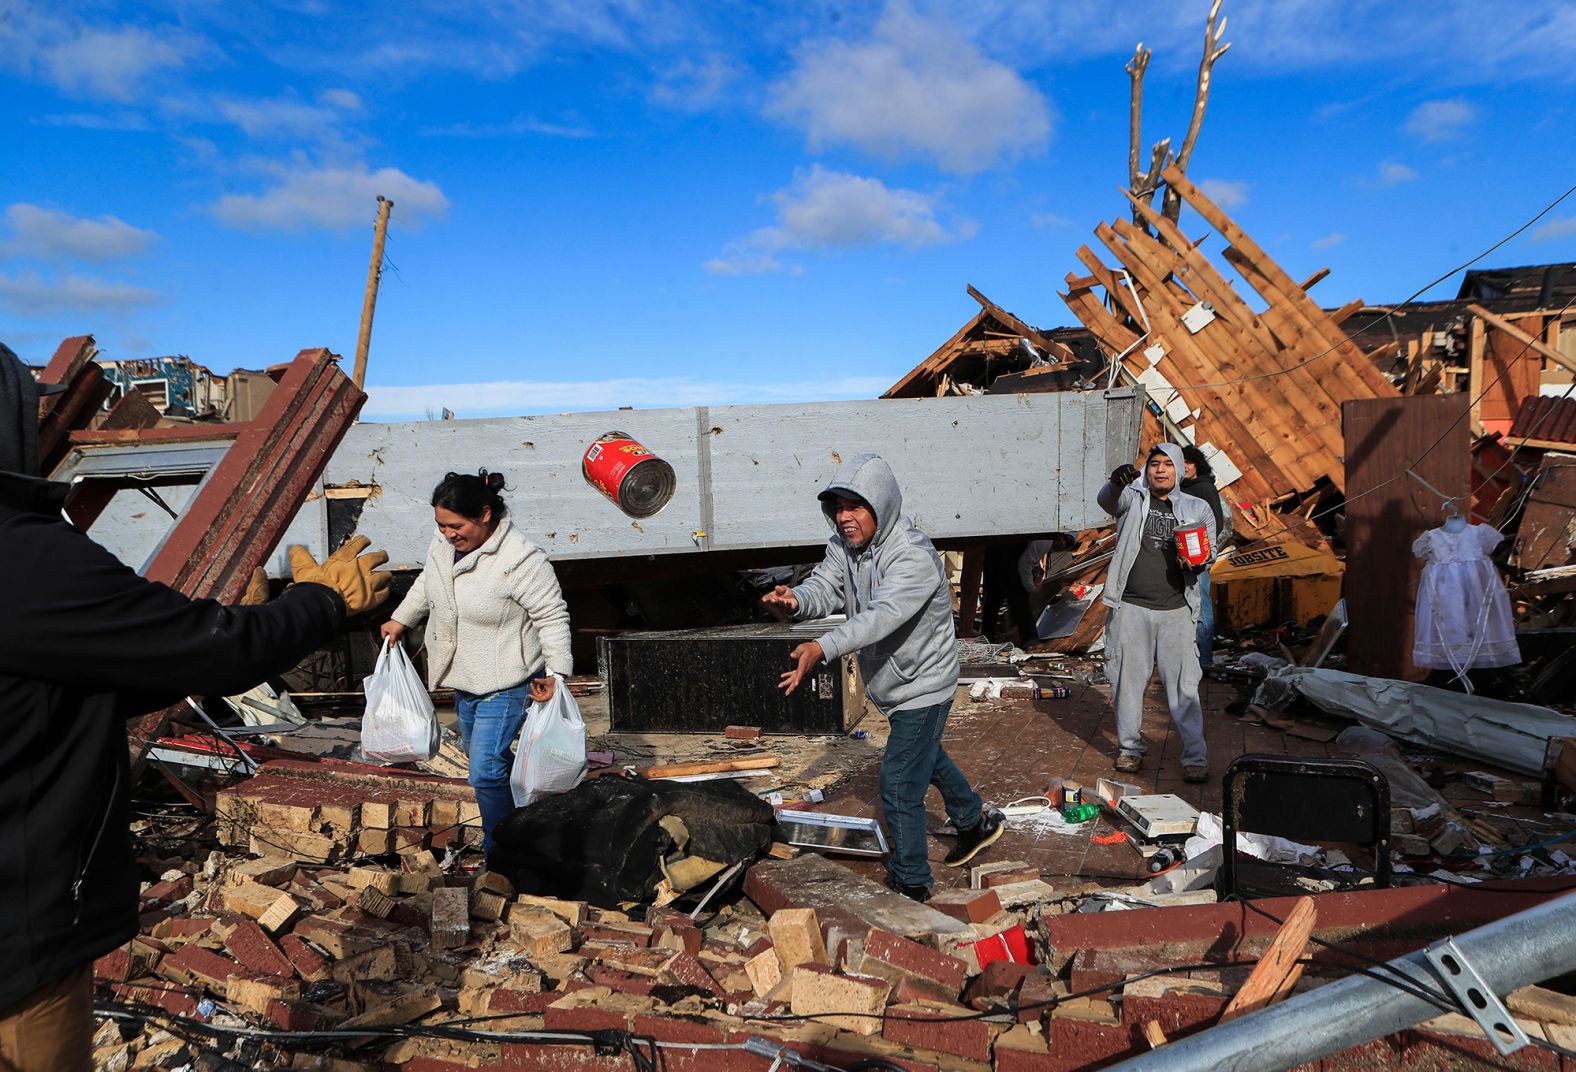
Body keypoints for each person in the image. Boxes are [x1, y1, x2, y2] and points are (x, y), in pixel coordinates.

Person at [0, 343, 390, 1072]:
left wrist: (183, 640)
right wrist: (323, 602)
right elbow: (212, 651)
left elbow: (80, 676)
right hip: (17, 941)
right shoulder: (23, 558)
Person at [761, 453, 1001, 901]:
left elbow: (880, 616)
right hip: (891, 683)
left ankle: (912, 882)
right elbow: (826, 587)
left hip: (925, 682)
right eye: (838, 507)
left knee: (896, 780)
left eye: (855, 506)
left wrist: (822, 647)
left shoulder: (912, 555)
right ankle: (975, 822)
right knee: (923, 756)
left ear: (882, 505)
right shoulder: (843, 547)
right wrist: (794, 600)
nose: (844, 517)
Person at [382, 470, 572, 856]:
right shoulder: (443, 544)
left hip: (508, 682)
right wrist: (402, 619)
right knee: (491, 766)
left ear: (485, 514)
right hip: (465, 680)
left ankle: (501, 854)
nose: (448, 533)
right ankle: (530, 820)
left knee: (484, 771)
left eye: (456, 525)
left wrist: (558, 675)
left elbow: (551, 616)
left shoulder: (520, 560)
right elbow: (428, 583)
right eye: (441, 525)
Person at [1097, 443, 1216, 783]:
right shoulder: (1132, 499)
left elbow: (1209, 550)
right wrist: (1116, 482)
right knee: (1127, 682)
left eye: (1167, 464)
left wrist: (1198, 561)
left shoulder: (1197, 507)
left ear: (1179, 469)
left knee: (1184, 686)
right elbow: (1108, 501)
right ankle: (1130, 749)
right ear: (1146, 470)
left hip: (1176, 610)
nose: (1160, 470)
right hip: (1131, 608)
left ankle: (1195, 756)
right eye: (1154, 464)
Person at [1180, 445, 1227, 666]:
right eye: (1181, 463)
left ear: (1197, 465)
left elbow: (1216, 523)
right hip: (1181, 561)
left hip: (1198, 559)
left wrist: (1200, 553)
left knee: (1200, 608)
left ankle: (1204, 659)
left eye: (1188, 462)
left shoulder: (1204, 489)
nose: (1184, 467)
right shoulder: (1180, 488)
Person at [980, 539, 1038, 646]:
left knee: (991, 605)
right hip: (1010, 560)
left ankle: (986, 638)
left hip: (995, 552)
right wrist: (1031, 588)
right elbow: (1025, 563)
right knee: (1019, 603)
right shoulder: (1045, 541)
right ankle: (1030, 640)